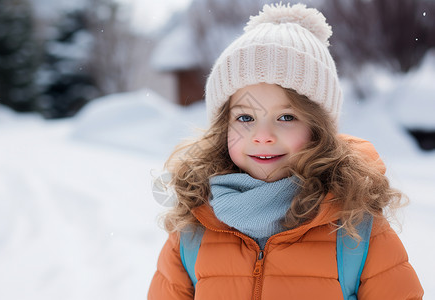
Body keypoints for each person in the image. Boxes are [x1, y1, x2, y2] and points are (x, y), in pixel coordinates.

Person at [148, 3, 423, 299]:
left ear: (317, 128)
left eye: (286, 117)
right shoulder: (193, 228)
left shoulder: (356, 229)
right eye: (245, 118)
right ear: (223, 127)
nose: (263, 136)